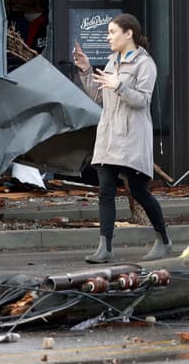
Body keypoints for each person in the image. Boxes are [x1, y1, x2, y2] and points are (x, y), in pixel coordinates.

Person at [73, 13, 170, 264]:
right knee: (105, 191)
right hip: (108, 136)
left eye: (112, 32)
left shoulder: (144, 64)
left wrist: (119, 86)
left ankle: (163, 240)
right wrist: (85, 71)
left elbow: (142, 101)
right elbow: (98, 96)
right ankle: (104, 247)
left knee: (139, 191)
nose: (108, 37)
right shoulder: (111, 62)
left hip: (131, 138)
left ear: (129, 34)